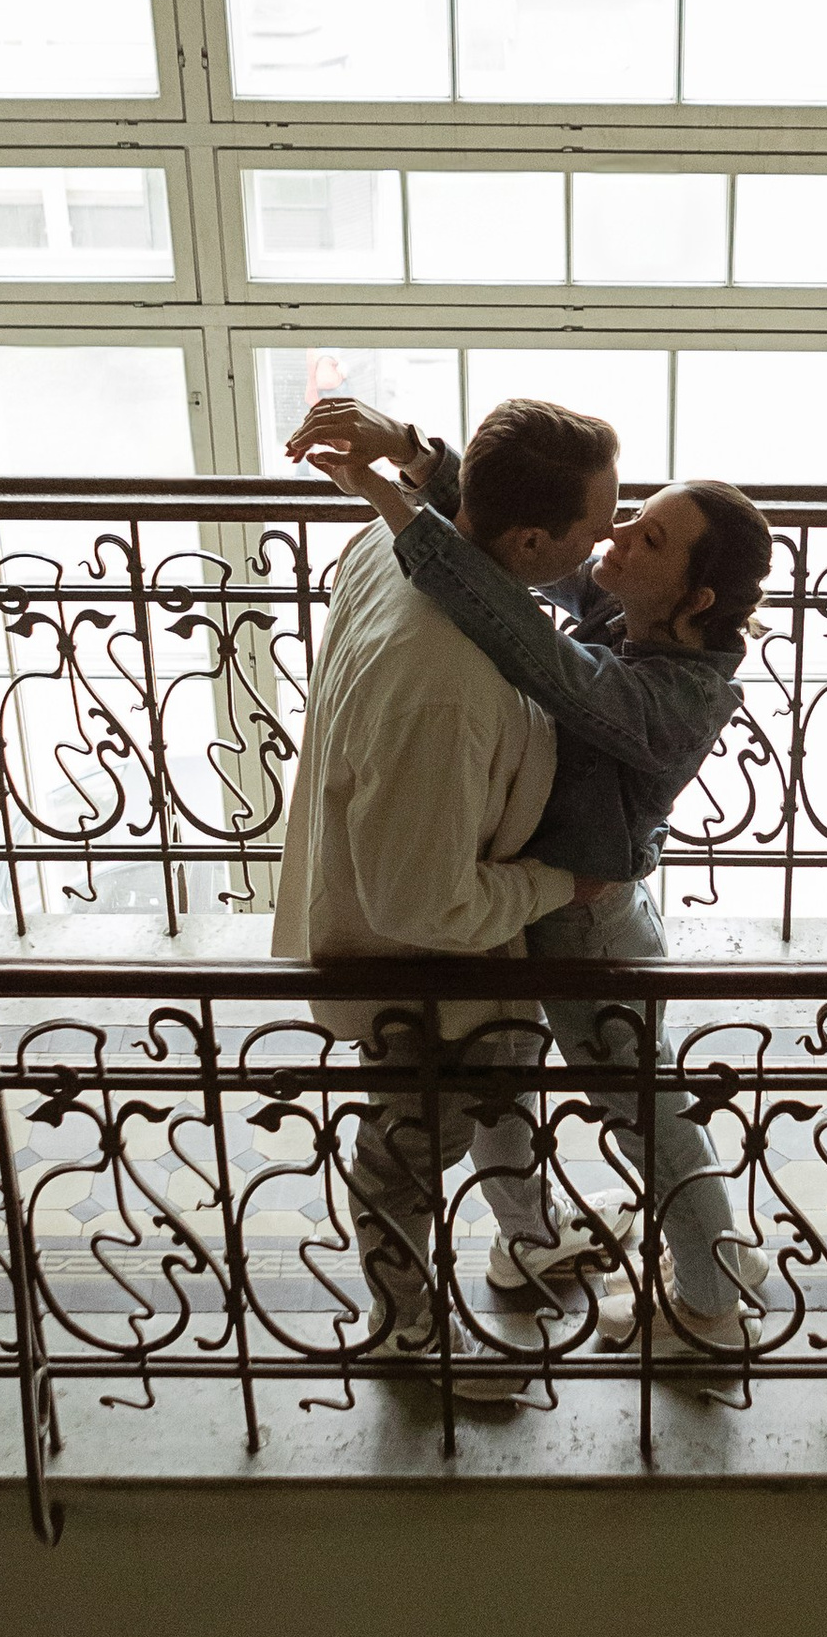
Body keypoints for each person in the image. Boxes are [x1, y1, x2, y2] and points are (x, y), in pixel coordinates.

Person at [290, 390, 774, 1365]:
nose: (615, 536)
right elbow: (514, 544)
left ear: (696, 598)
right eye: (625, 515)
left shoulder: (667, 698)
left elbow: (518, 625)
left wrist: (397, 505)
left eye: (647, 535)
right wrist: (421, 466)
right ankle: (537, 1241)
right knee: (502, 1078)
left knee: (647, 1115)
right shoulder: (644, 615)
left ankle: (712, 1301)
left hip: (589, 922)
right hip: (538, 904)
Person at [270, 395, 618, 1374]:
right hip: (421, 970)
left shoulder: (400, 546)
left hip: (469, 957)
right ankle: (404, 1328)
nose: (607, 541)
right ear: (533, 542)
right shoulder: (445, 686)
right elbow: (423, 905)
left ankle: (528, 1238)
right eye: (596, 525)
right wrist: (562, 884)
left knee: (504, 1085)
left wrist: (417, 461)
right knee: (408, 1151)